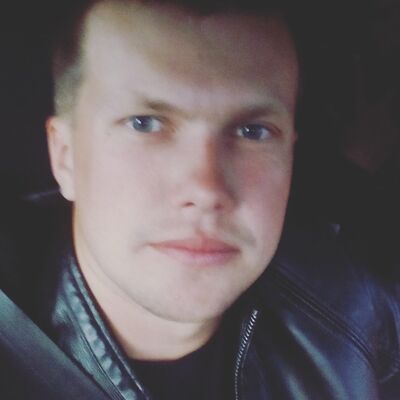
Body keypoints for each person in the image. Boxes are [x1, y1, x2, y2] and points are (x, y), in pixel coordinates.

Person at [1, 0, 399, 399]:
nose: (206, 191)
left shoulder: (363, 313)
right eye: (145, 124)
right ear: (65, 157)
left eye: (253, 131)